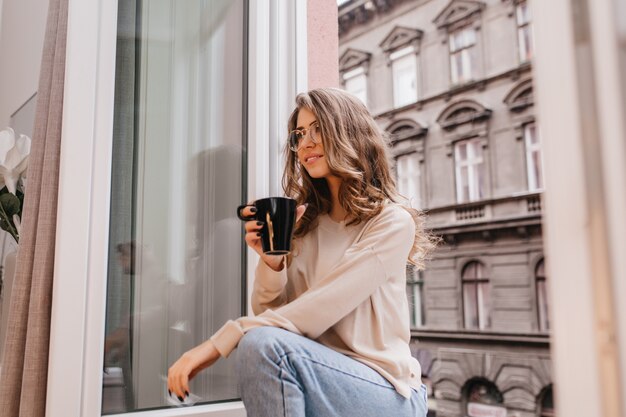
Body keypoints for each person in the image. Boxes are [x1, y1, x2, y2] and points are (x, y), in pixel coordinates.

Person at [167, 87, 436, 416]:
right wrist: (272, 262)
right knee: (262, 344)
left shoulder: (391, 223)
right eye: (299, 134)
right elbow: (273, 314)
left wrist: (220, 341)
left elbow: (322, 306)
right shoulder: (305, 225)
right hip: (318, 376)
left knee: (260, 344)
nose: (305, 143)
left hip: (386, 390)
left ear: (349, 133)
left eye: (318, 130)